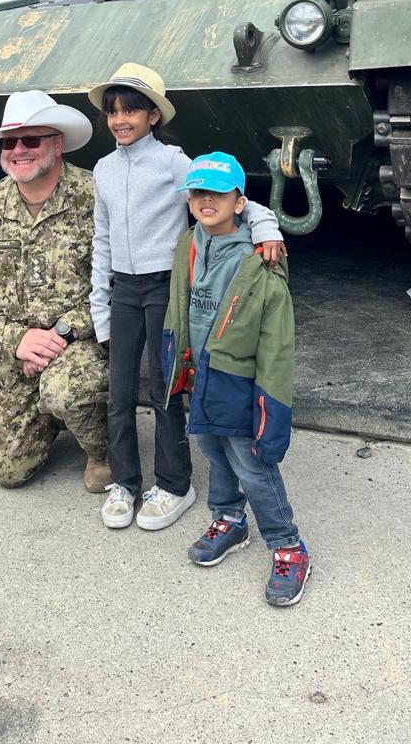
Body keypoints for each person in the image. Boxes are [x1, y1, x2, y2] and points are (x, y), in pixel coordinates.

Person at [88, 63, 284, 532]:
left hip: (166, 287)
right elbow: (102, 238)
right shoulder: (104, 169)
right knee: (118, 392)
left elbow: (231, 195)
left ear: (153, 115)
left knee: (165, 387)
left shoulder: (174, 161)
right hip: (123, 289)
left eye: (131, 111)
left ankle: (174, 483)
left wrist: (266, 226)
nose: (120, 120)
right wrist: (100, 304)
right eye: (113, 112)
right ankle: (124, 481)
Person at [0, 90, 110, 493]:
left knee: (67, 391)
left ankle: (103, 450)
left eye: (31, 140)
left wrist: (60, 335)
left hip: (80, 347)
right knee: (8, 469)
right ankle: (47, 413)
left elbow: (120, 281)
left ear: (57, 144)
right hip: (15, 354)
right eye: (9, 142)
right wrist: (18, 339)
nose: (18, 150)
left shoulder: (96, 197)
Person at [163, 151, 308, 607]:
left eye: (217, 194)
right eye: (198, 193)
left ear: (239, 202)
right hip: (199, 374)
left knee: (253, 464)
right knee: (212, 450)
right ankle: (228, 519)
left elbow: (277, 345)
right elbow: (180, 305)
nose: (206, 201)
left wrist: (272, 405)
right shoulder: (188, 244)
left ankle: (288, 546)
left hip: (240, 381)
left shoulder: (260, 260)